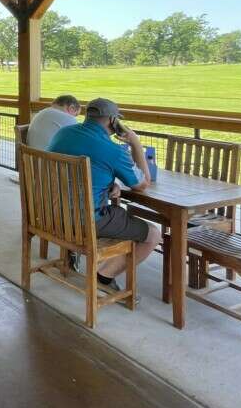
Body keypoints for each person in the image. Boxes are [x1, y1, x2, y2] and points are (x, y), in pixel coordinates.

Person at [47, 98, 161, 290]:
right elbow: (142, 184)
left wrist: (108, 182)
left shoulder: (63, 133)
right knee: (153, 234)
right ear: (113, 121)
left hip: (51, 214)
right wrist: (135, 144)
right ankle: (104, 276)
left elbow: (74, 171)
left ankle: (90, 265)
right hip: (85, 222)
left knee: (121, 216)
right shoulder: (113, 151)